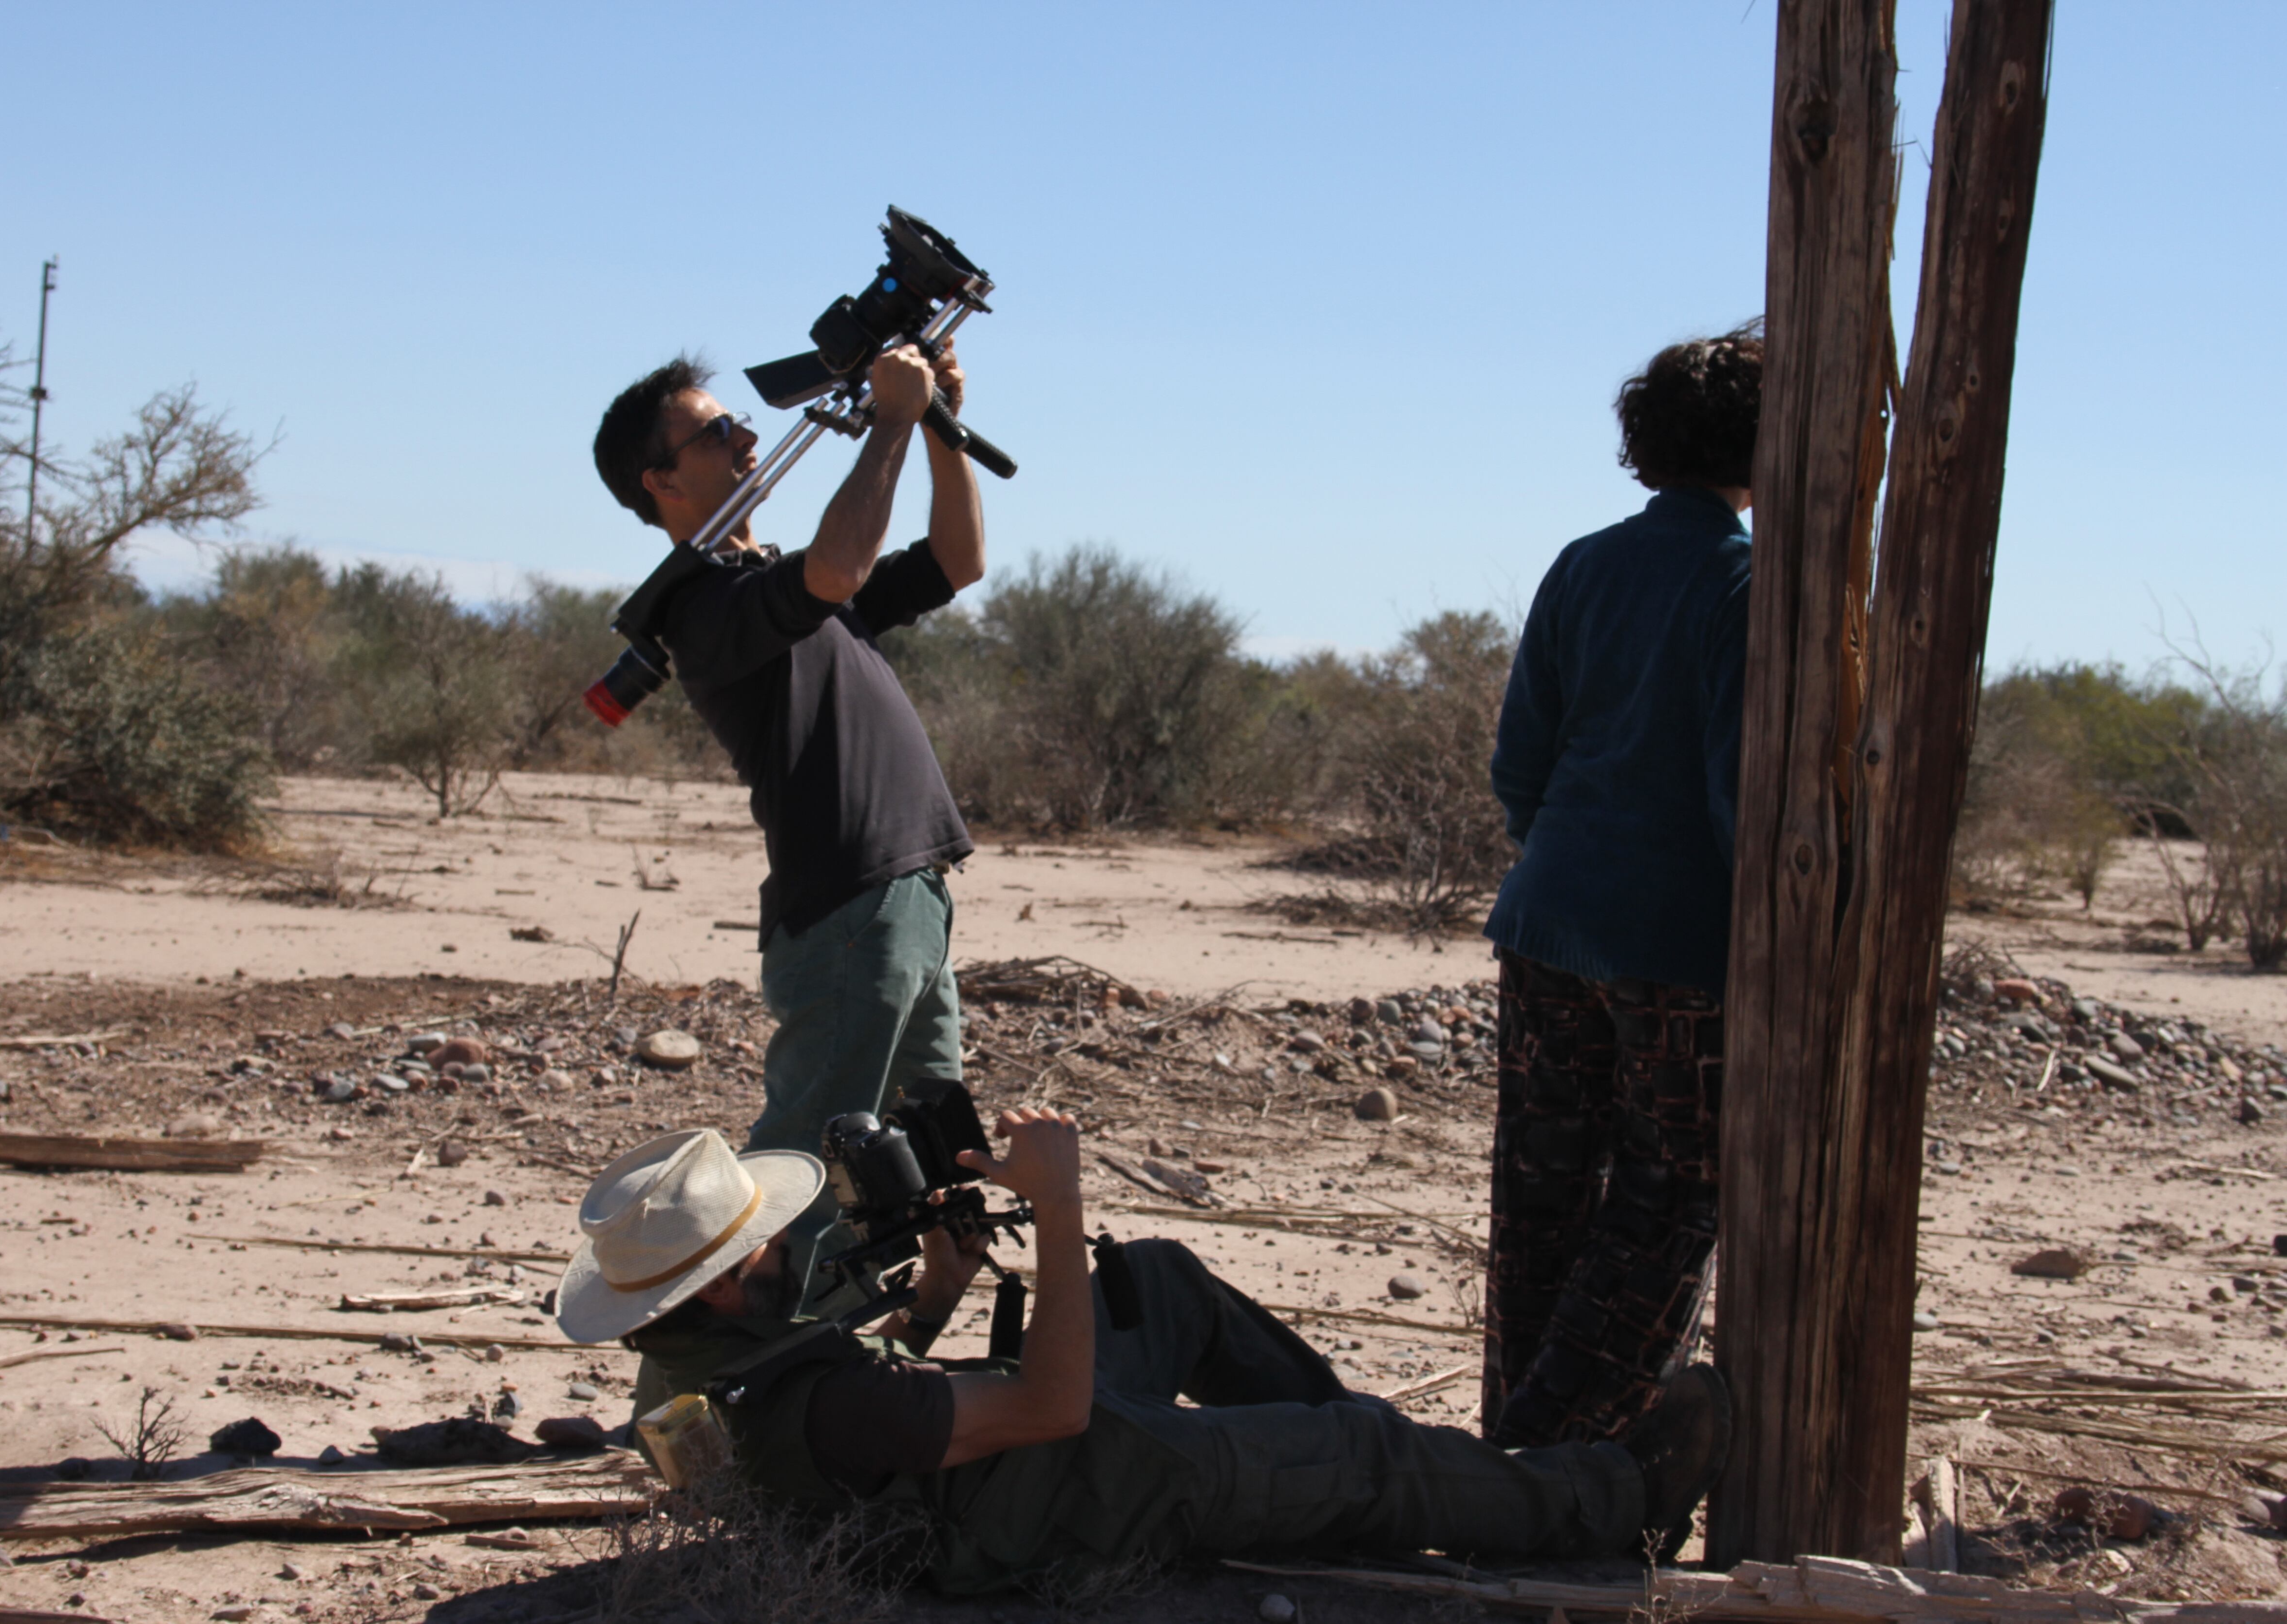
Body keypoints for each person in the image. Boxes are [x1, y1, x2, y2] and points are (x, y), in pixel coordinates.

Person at [556, 1118, 1732, 1595]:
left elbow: (836, 1402)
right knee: (1360, 1446)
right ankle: (1620, 1501)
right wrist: (1058, 1212)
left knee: (1159, 1280)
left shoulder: (698, 1366)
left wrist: (944, 1289)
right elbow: (1052, 1404)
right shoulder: (830, 1413)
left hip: (987, 1470)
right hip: (1085, 1496)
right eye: (756, 1245)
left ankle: (1350, 1487)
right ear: (719, 1275)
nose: (777, 1252)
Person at [590, 342, 983, 1298]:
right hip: (848, 909)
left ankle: (909, 1326)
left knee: (934, 1139)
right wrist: (889, 418)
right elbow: (841, 566)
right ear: (661, 479)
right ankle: (748, 1373)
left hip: (910, 892)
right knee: (807, 1158)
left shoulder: (774, 576)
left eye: (735, 421)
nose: (745, 435)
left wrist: (936, 425)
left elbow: (956, 561)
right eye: (715, 431)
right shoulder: (706, 604)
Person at [1478, 325, 1762, 1451]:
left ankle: (1505, 1445)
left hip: (1547, 919)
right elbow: (1742, 794)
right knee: (1669, 1202)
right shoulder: (1745, 584)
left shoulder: (1584, 562)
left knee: (1540, 1199)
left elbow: (1520, 763)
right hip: (1678, 949)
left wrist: (1565, 863)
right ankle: (1554, 1466)